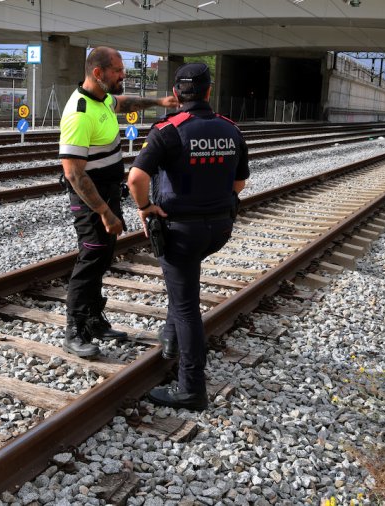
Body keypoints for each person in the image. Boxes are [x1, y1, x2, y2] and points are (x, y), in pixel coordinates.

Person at [127, 62, 249, 410]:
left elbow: (136, 179)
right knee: (182, 286)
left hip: (180, 232)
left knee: (186, 307)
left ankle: (191, 388)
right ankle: (170, 340)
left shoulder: (168, 130)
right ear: (210, 91)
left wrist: (146, 207)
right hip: (219, 229)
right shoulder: (231, 129)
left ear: (176, 93)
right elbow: (239, 183)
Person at [59, 46, 178, 359]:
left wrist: (159, 102)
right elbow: (73, 173)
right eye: (118, 71)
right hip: (90, 199)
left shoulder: (102, 100)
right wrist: (105, 213)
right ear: (98, 74)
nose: (123, 75)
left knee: (102, 256)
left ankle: (94, 319)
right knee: (91, 257)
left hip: (107, 194)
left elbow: (124, 102)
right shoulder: (80, 112)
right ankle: (75, 328)